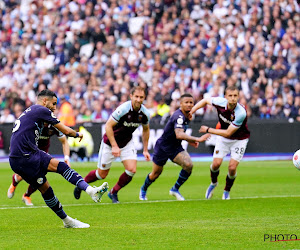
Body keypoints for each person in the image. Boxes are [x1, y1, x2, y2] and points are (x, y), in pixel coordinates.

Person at [9, 89, 109, 228]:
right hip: (27, 155)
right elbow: (66, 130)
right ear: (45, 101)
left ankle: (67, 221)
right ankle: (90, 191)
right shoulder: (41, 110)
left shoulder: (30, 111)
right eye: (54, 104)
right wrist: (77, 134)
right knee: (61, 167)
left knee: (45, 188)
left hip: (16, 159)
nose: (55, 108)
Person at [74, 86, 151, 203]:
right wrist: (114, 146)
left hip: (126, 143)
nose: (139, 100)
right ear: (131, 96)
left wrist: (145, 149)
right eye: (136, 97)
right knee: (101, 174)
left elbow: (146, 130)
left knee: (131, 170)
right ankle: (81, 184)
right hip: (110, 143)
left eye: (141, 97)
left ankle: (113, 192)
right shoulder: (123, 109)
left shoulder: (145, 113)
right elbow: (108, 126)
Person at [139, 93, 210, 201]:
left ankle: (175, 189)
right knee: (155, 174)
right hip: (163, 147)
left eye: (191, 102)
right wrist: (197, 139)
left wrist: (189, 141)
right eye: (186, 102)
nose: (189, 105)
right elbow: (179, 134)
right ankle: (143, 189)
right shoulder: (179, 116)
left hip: (175, 147)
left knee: (188, 165)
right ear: (180, 104)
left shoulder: (188, 115)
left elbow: (180, 133)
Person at [189, 86, 250, 200]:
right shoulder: (220, 102)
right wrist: (192, 111)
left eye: (235, 96)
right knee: (216, 164)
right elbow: (205, 100)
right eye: (230, 96)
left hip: (239, 140)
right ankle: (213, 183)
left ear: (238, 96)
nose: (232, 98)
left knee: (232, 168)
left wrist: (208, 130)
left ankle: (226, 191)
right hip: (223, 139)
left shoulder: (241, 112)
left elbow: (228, 133)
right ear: (225, 97)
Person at [7, 122, 71, 206]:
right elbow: (18, 133)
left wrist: (66, 158)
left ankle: (27, 196)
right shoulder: (33, 122)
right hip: (29, 150)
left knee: (40, 176)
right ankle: (14, 182)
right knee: (26, 173)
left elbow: (64, 141)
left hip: (43, 153)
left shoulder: (54, 124)